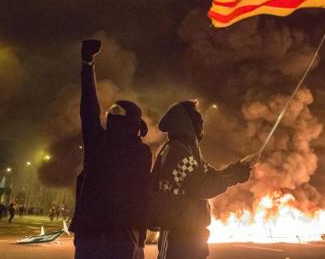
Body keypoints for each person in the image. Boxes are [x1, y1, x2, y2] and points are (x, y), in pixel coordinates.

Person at [71, 39, 152, 259]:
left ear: (132, 122)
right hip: (95, 232)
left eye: (118, 112)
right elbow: (88, 105)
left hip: (120, 235)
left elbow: (142, 193)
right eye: (111, 111)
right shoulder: (98, 140)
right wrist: (87, 65)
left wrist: (141, 238)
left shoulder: (140, 152)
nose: (111, 114)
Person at [153, 100, 254, 259]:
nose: (202, 126)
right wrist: (234, 177)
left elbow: (211, 176)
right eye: (199, 122)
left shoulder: (189, 150)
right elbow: (201, 187)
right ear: (187, 124)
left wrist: (238, 167)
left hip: (192, 233)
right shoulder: (177, 151)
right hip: (178, 235)